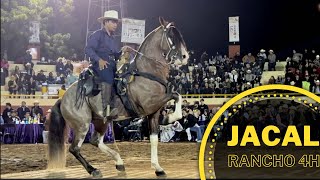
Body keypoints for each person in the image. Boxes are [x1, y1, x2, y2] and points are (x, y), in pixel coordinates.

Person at [85, 10, 129, 122]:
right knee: (108, 78)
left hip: (111, 65)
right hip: (99, 65)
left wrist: (122, 52)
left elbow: (116, 55)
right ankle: (105, 109)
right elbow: (88, 49)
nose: (116, 24)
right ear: (106, 22)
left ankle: (116, 108)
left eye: (116, 22)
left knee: (121, 80)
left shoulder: (112, 38)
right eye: (113, 22)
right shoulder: (97, 34)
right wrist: (99, 59)